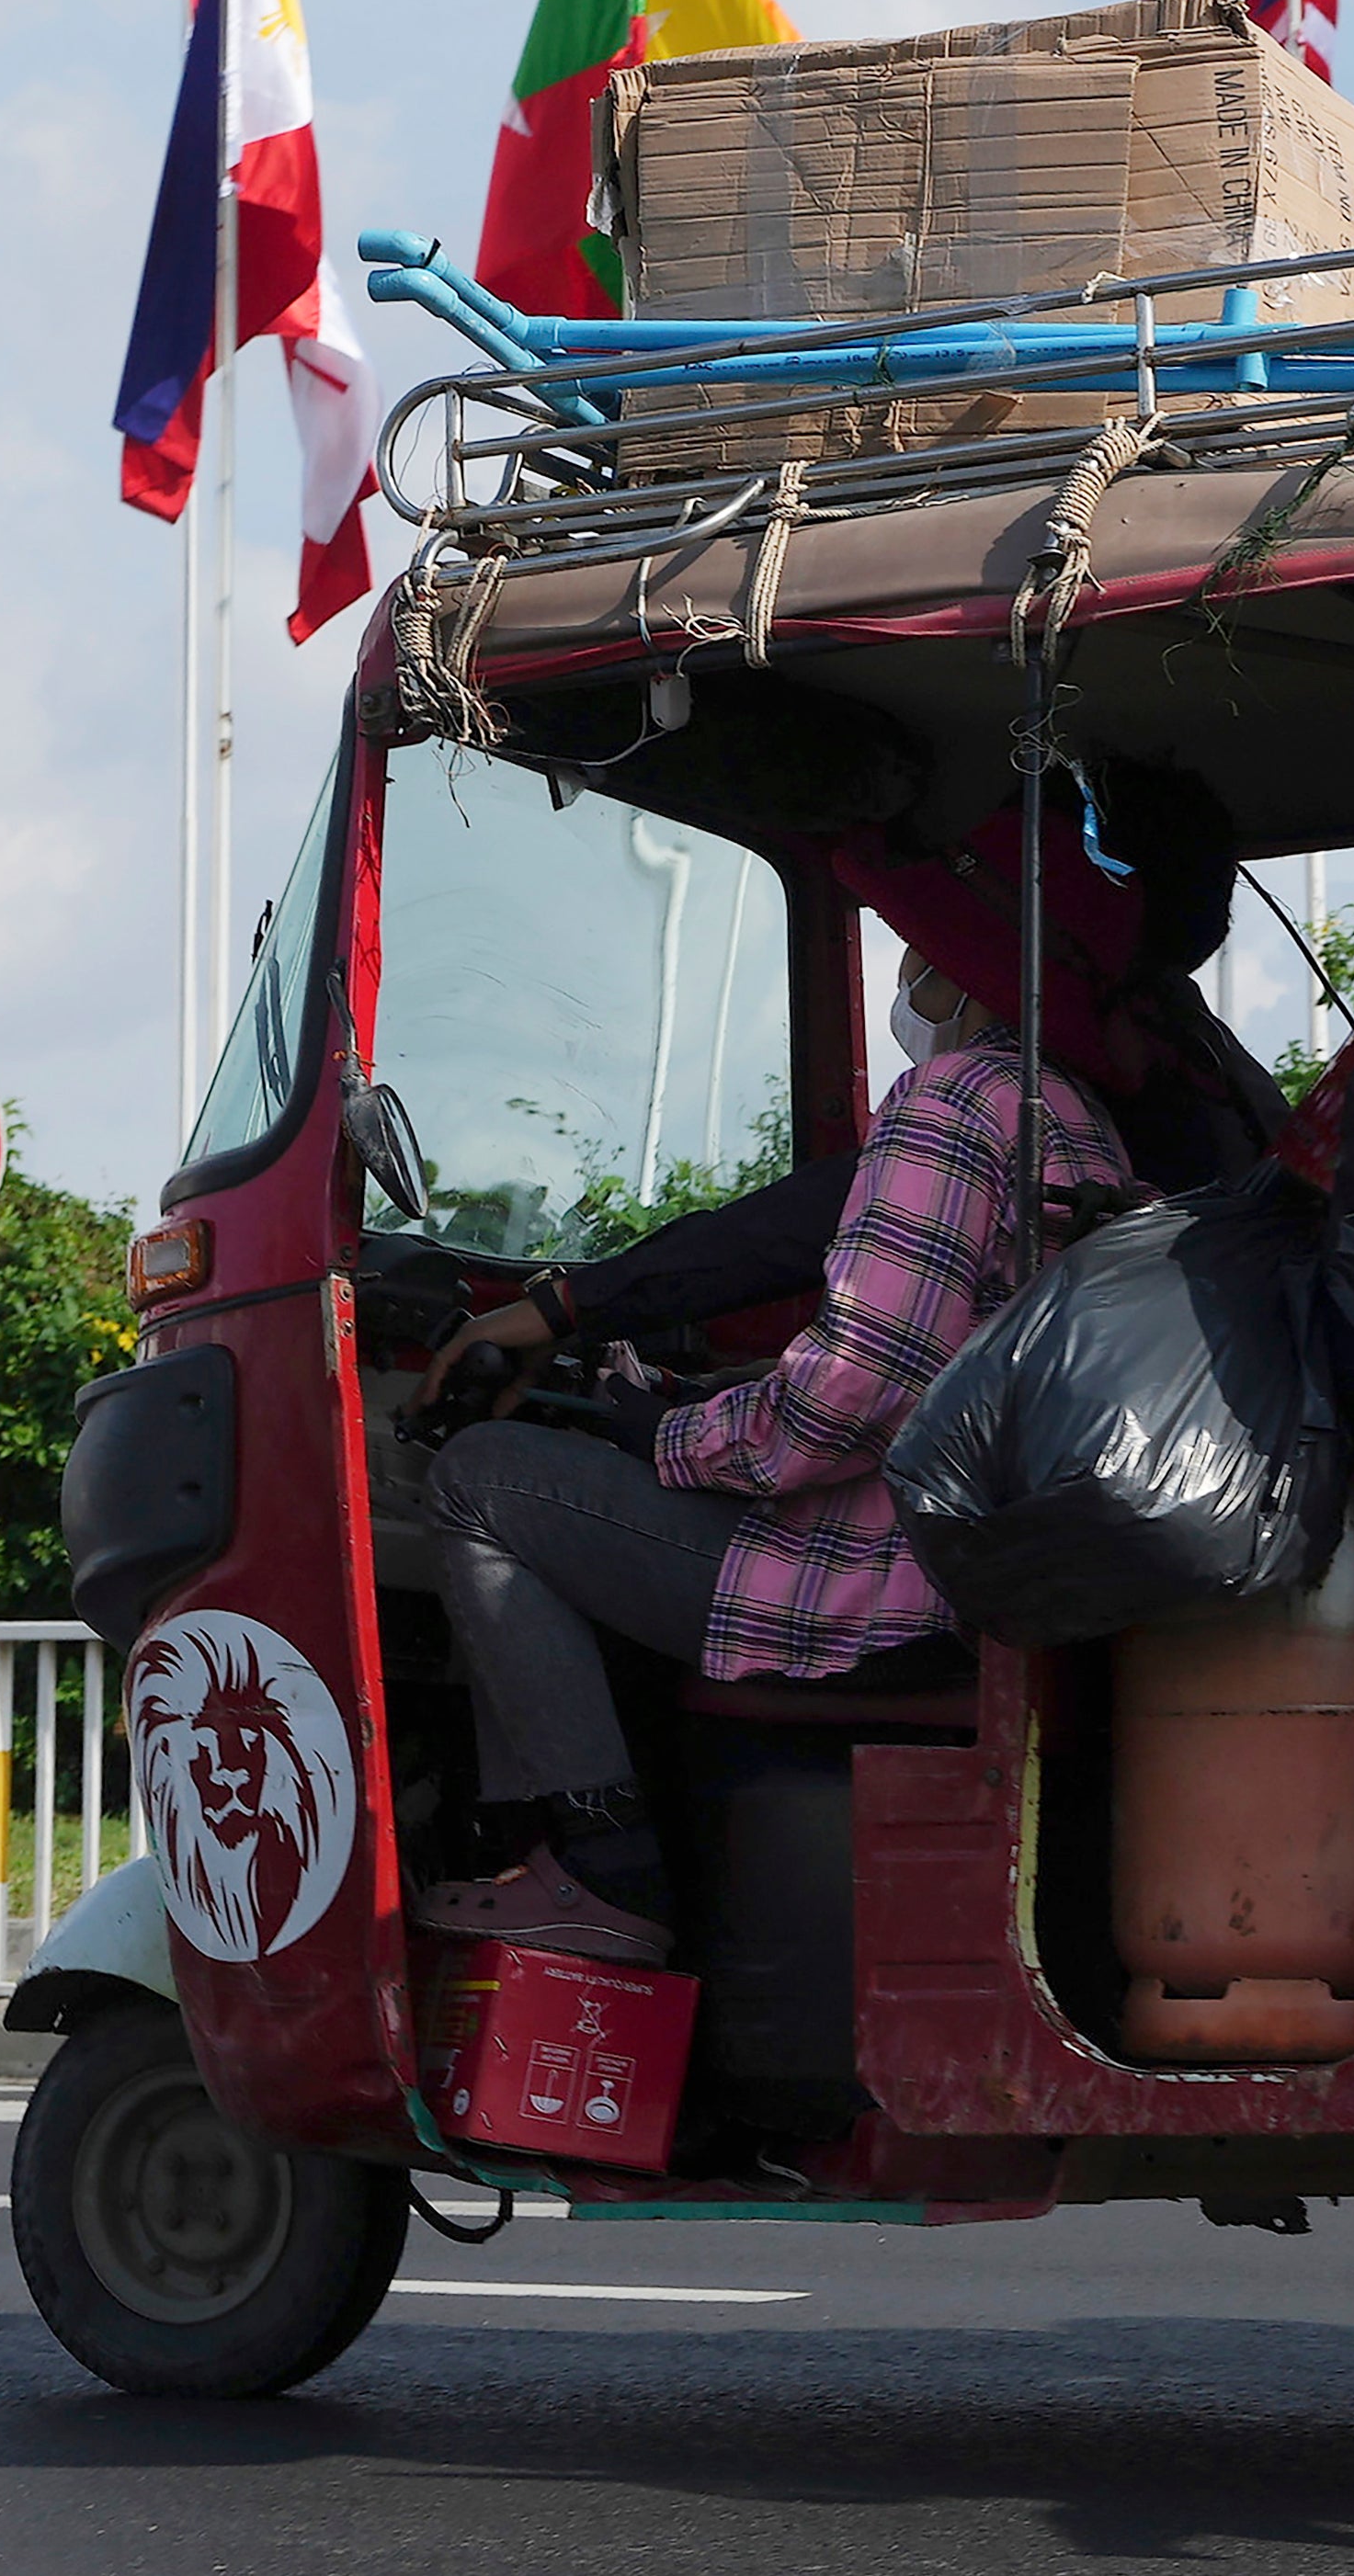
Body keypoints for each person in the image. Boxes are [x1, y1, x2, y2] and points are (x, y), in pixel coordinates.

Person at [409, 825, 1145, 1967]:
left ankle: (595, 1869)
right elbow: (940, 1358)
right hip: (977, 1566)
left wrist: (671, 1432)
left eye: (915, 947)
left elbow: (849, 1392)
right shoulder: (1083, 1125)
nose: (905, 973)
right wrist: (729, 1391)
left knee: (477, 1483)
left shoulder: (952, 1102)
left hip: (882, 1585)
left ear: (964, 966)